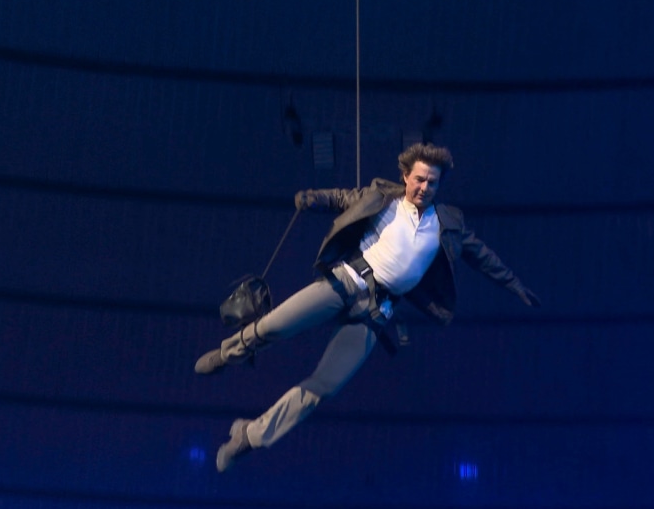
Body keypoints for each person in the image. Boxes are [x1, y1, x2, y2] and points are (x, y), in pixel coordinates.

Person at [194, 143, 541, 472]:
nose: (423, 187)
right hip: (345, 283)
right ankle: (229, 353)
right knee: (274, 325)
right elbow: (344, 198)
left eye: (431, 182)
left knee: (324, 386)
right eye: (419, 179)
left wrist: (515, 285)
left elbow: (483, 258)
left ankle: (249, 437)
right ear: (406, 176)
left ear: (439, 185)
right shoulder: (383, 196)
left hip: (377, 312)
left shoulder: (447, 223)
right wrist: (316, 198)